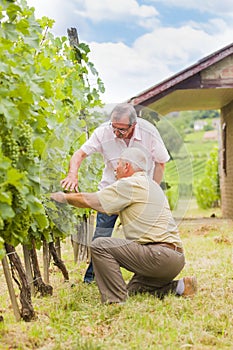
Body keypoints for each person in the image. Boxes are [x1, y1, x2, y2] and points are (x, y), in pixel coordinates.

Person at [51, 147, 197, 304]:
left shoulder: (130, 184)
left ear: (127, 166)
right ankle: (181, 286)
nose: (115, 168)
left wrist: (63, 197)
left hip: (159, 256)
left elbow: (91, 200)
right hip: (175, 259)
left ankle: (115, 301)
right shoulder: (151, 185)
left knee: (100, 245)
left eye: (118, 164)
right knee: (134, 290)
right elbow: (111, 209)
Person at [61, 103, 170, 283]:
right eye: (114, 127)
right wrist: (72, 174)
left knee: (147, 237)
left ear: (133, 125)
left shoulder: (149, 133)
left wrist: (152, 190)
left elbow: (161, 163)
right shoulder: (104, 132)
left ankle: (149, 276)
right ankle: (91, 279)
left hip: (139, 193)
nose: (116, 133)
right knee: (101, 236)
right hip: (111, 191)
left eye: (121, 130)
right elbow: (79, 154)